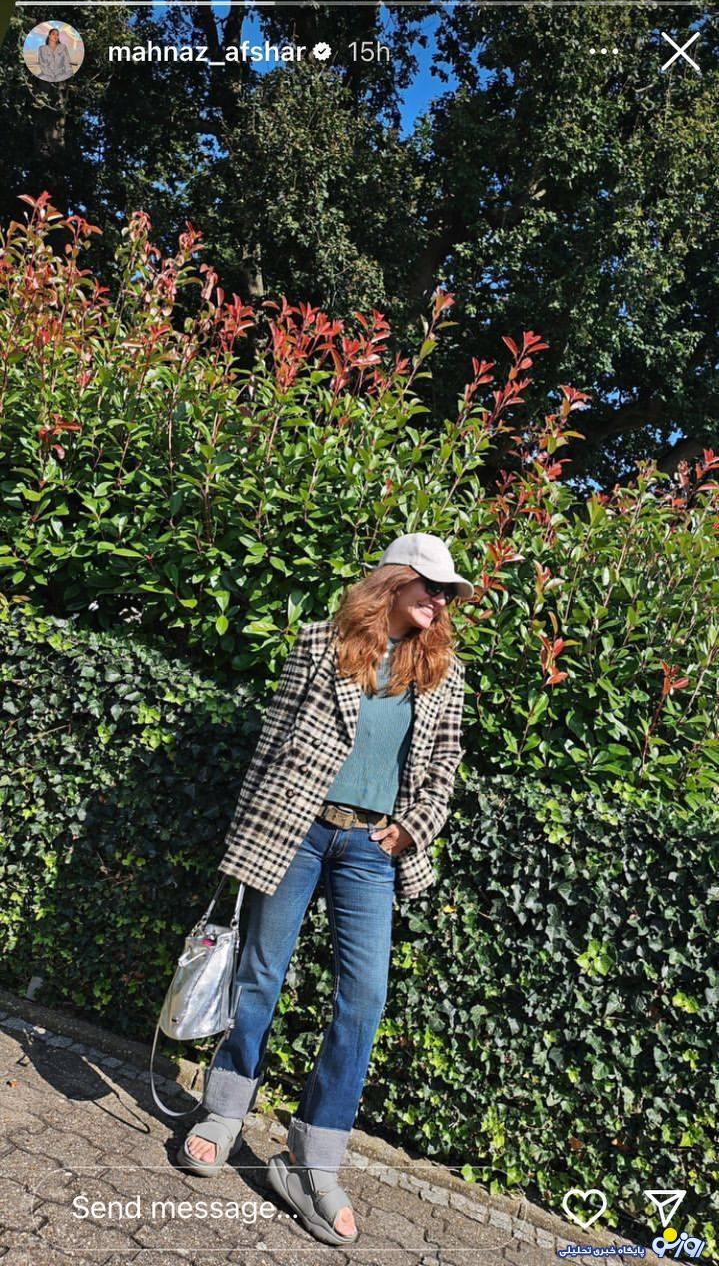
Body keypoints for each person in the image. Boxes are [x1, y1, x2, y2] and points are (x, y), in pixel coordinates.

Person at [178, 532, 473, 1247]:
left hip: (371, 850)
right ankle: (223, 1111)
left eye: (447, 593)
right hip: (295, 830)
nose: (440, 600)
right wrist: (242, 849)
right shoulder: (318, 643)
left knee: (363, 998)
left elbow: (444, 769)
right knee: (260, 973)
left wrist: (412, 828)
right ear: (393, 582)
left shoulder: (444, 673)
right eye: (429, 586)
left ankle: (313, 1159)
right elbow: (269, 747)